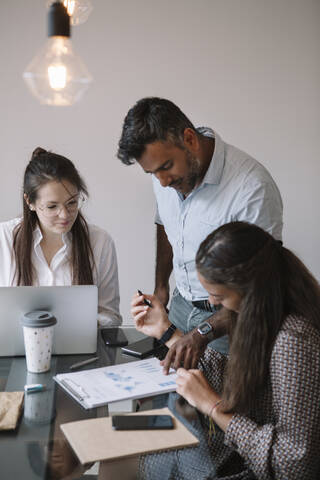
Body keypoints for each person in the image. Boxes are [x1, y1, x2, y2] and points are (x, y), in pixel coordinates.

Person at [130, 221, 320, 480]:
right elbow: (236, 381)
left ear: (250, 290)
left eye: (218, 296)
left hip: (255, 468)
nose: (211, 302)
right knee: (136, 440)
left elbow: (294, 465)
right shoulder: (260, 315)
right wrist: (165, 330)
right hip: (241, 456)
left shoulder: (293, 340)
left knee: (142, 453)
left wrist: (213, 406)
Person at [117, 97, 283, 360]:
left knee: (223, 399)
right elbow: (165, 222)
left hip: (232, 320)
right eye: (152, 173)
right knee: (175, 398)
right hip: (180, 305)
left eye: (166, 167)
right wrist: (161, 286)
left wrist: (202, 332)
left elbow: (262, 285)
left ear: (190, 139)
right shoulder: (165, 178)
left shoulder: (253, 188)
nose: (162, 182)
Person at [0, 147, 122, 327]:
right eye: (52, 207)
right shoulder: (4, 238)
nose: (65, 215)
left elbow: (110, 315)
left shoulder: (100, 242)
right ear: (30, 202)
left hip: (82, 351)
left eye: (72, 202)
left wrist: (85, 323)